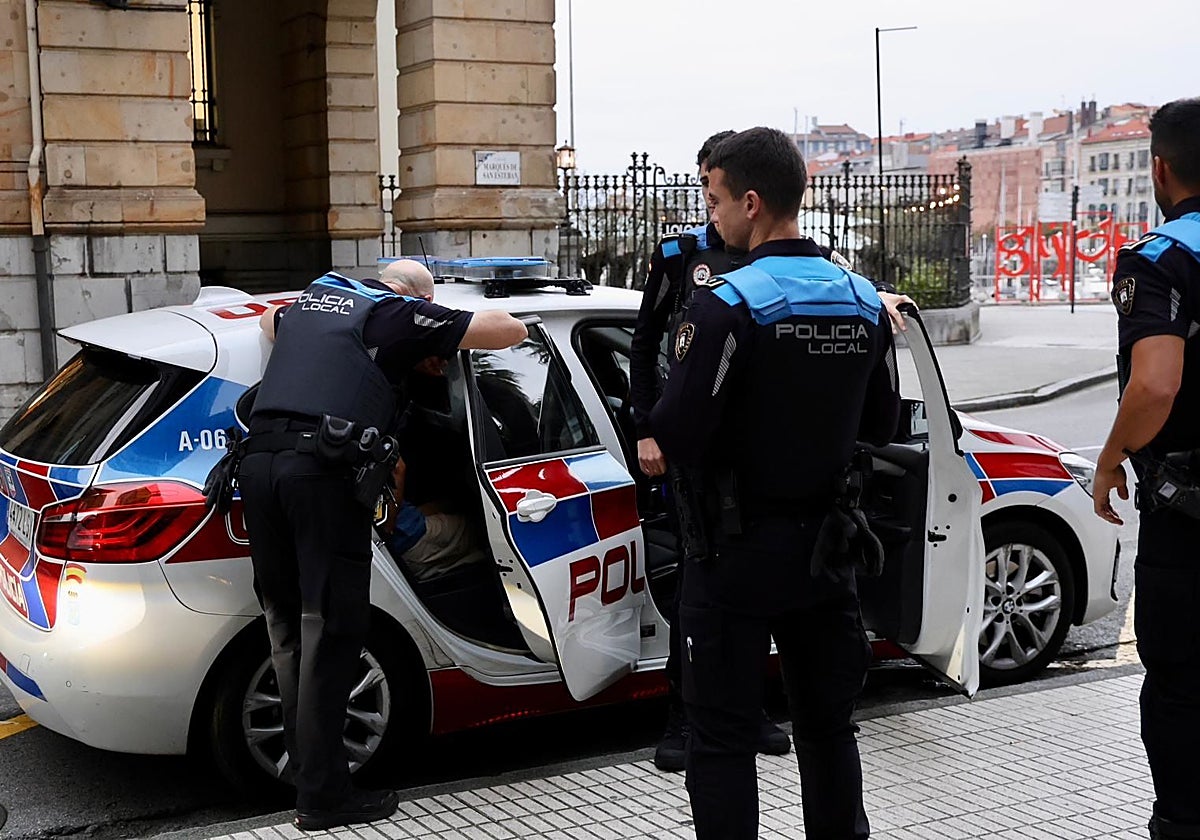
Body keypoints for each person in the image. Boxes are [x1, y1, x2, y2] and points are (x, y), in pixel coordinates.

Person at [630, 132, 913, 773]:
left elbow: (677, 429)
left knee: (722, 745)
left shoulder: (727, 303)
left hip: (734, 555)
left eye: (714, 197)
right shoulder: (862, 299)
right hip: (828, 553)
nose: (711, 214)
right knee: (828, 733)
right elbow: (884, 421)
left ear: (751, 203)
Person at [239, 268, 527, 831]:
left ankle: (308, 776)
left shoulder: (312, 302)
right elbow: (508, 330)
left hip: (258, 470)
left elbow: (269, 322)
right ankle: (324, 798)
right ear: (414, 297)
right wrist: (436, 322)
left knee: (289, 631)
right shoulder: (391, 314)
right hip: (319, 477)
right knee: (332, 627)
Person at [1093, 97, 1200, 840]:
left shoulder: (1161, 256)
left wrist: (1109, 457)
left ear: (1158, 167)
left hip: (1191, 524)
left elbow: (1156, 384)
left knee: (1182, 689)